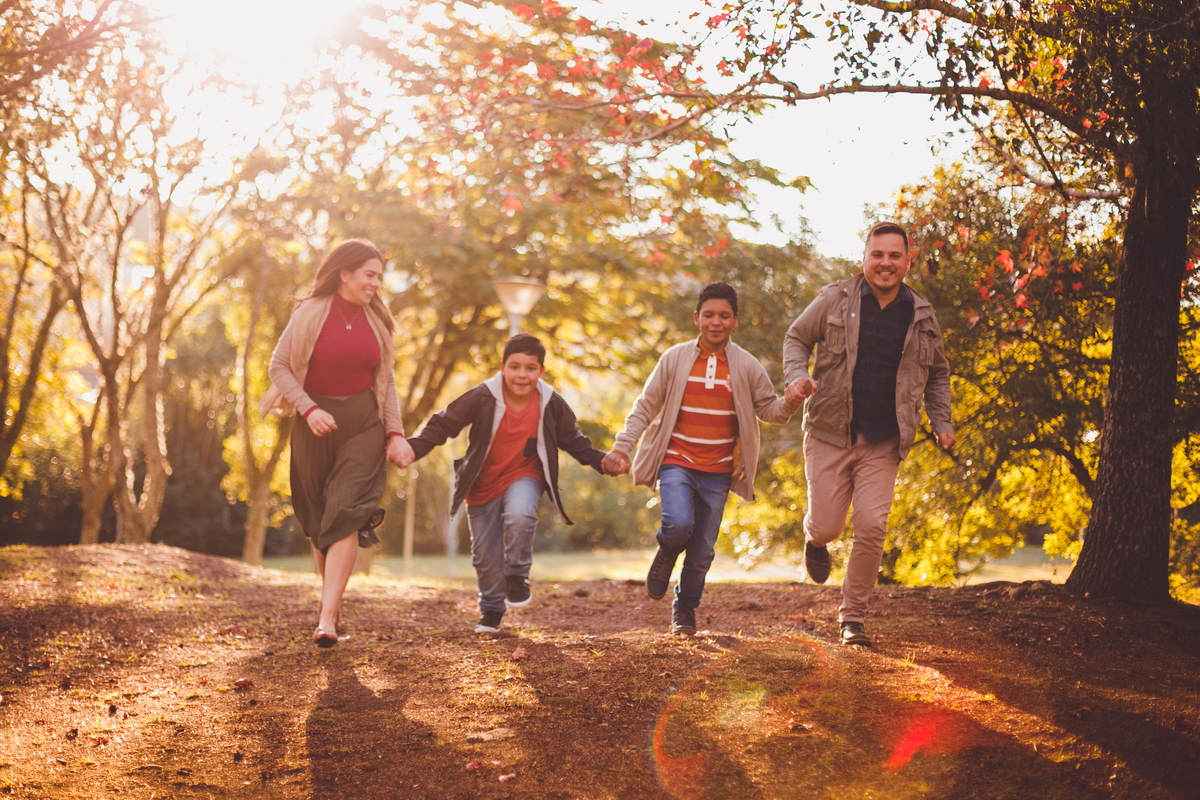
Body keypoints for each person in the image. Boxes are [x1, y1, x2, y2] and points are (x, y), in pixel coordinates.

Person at [783, 221, 954, 647]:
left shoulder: (922, 316)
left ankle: (852, 618)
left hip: (884, 441)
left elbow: (938, 374)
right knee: (826, 526)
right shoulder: (834, 300)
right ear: (864, 257)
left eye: (895, 256)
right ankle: (815, 539)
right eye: (878, 255)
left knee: (872, 525)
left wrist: (942, 421)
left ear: (907, 262)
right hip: (828, 432)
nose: (885, 263)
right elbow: (796, 339)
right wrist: (797, 376)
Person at [603, 282, 804, 636]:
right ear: (696, 318)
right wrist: (622, 447)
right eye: (709, 315)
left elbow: (770, 411)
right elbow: (644, 407)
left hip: (718, 471)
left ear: (735, 321)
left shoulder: (746, 366)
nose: (716, 322)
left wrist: (790, 400)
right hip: (677, 460)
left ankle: (685, 609)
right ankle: (666, 552)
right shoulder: (675, 358)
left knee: (702, 553)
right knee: (678, 524)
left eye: (724, 316)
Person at [407, 333, 618, 634]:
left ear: (541, 371)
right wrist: (413, 448)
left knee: (521, 512)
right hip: (481, 484)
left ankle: (517, 574)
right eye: (515, 367)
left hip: (524, 474)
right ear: (503, 367)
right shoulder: (482, 397)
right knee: (485, 556)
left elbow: (573, 440)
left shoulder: (550, 403)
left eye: (530, 368)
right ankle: (491, 609)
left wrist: (601, 460)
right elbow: (444, 424)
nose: (522, 375)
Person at [259, 240, 414, 647]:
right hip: (315, 424)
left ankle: (327, 618)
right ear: (344, 273)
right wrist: (308, 409)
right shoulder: (310, 313)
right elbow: (278, 367)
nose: (376, 284)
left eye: (379, 276)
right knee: (321, 522)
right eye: (369, 275)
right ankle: (333, 601)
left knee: (346, 511)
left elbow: (386, 381)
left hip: (363, 423)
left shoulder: (377, 319)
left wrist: (394, 433)